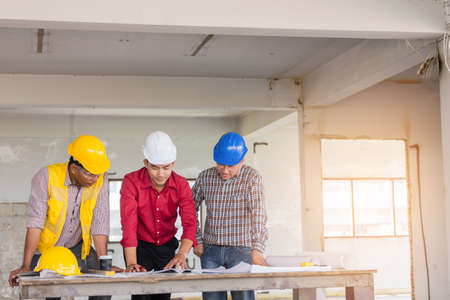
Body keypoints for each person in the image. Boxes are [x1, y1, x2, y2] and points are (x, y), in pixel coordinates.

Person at [9, 135, 114, 300]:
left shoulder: (100, 179)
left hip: (78, 247)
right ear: (74, 169)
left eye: (99, 174)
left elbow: (100, 221)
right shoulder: (46, 177)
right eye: (90, 174)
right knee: (45, 292)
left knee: (103, 287)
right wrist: (26, 266)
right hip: (46, 249)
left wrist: (104, 264)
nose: (95, 179)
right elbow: (35, 222)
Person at [120, 131, 197, 300]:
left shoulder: (181, 184)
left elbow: (190, 223)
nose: (160, 174)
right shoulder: (131, 181)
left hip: (167, 247)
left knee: (162, 296)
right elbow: (129, 224)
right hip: (139, 247)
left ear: (173, 163)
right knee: (141, 296)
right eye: (154, 167)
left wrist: (182, 254)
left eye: (166, 168)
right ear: (146, 162)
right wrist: (132, 263)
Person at [193, 132, 269, 300]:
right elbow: (189, 208)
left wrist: (258, 249)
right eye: (220, 164)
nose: (225, 170)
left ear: (242, 160)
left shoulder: (252, 178)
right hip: (210, 250)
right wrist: (196, 239)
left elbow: (259, 215)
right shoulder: (205, 177)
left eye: (231, 166)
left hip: (241, 251)